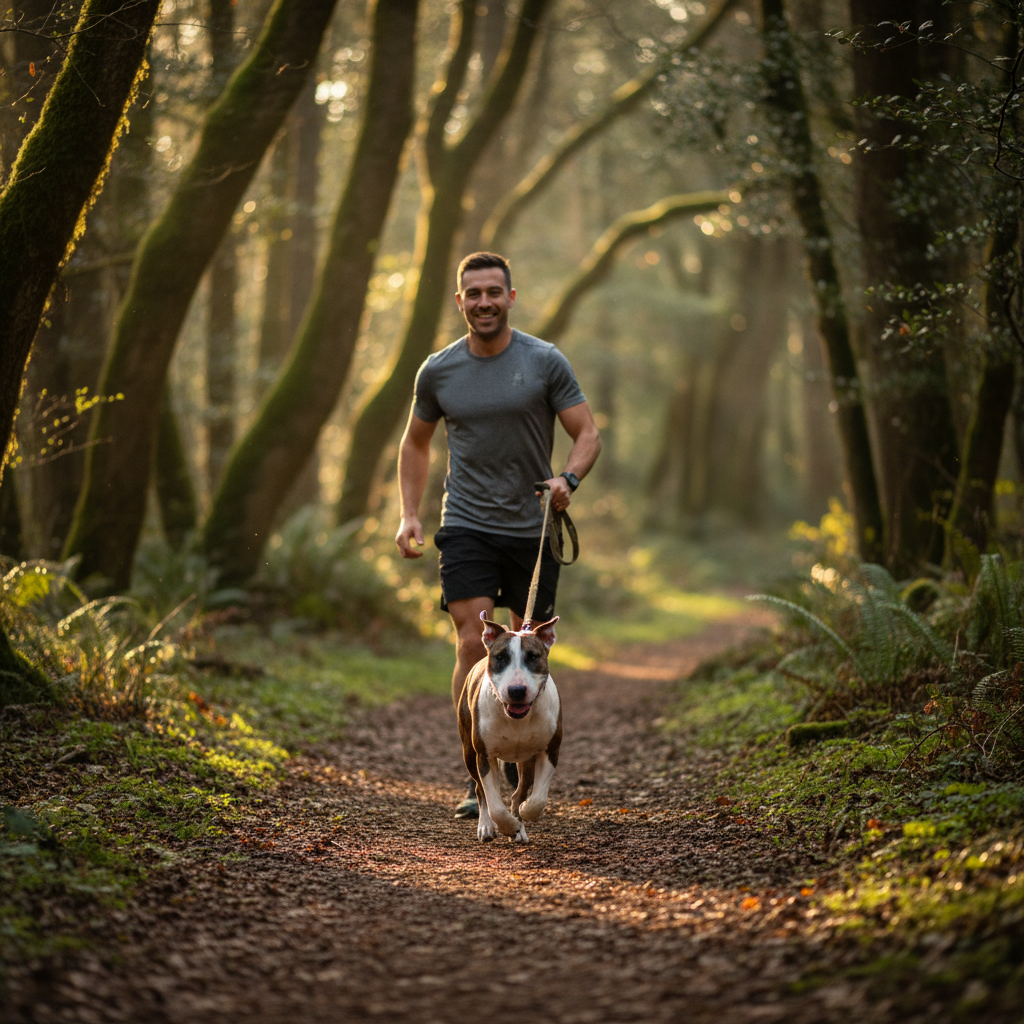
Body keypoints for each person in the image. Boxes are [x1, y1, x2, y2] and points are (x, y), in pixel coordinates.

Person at [395, 251, 601, 819]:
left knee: (523, 642)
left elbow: (586, 433)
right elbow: (415, 443)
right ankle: (478, 768)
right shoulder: (438, 370)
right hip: (465, 523)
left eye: (494, 291)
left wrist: (569, 477)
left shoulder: (544, 362)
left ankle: (525, 764)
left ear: (511, 297)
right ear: (459, 301)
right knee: (472, 641)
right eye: (473, 293)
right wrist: (411, 514)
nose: (484, 301)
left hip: (533, 529)